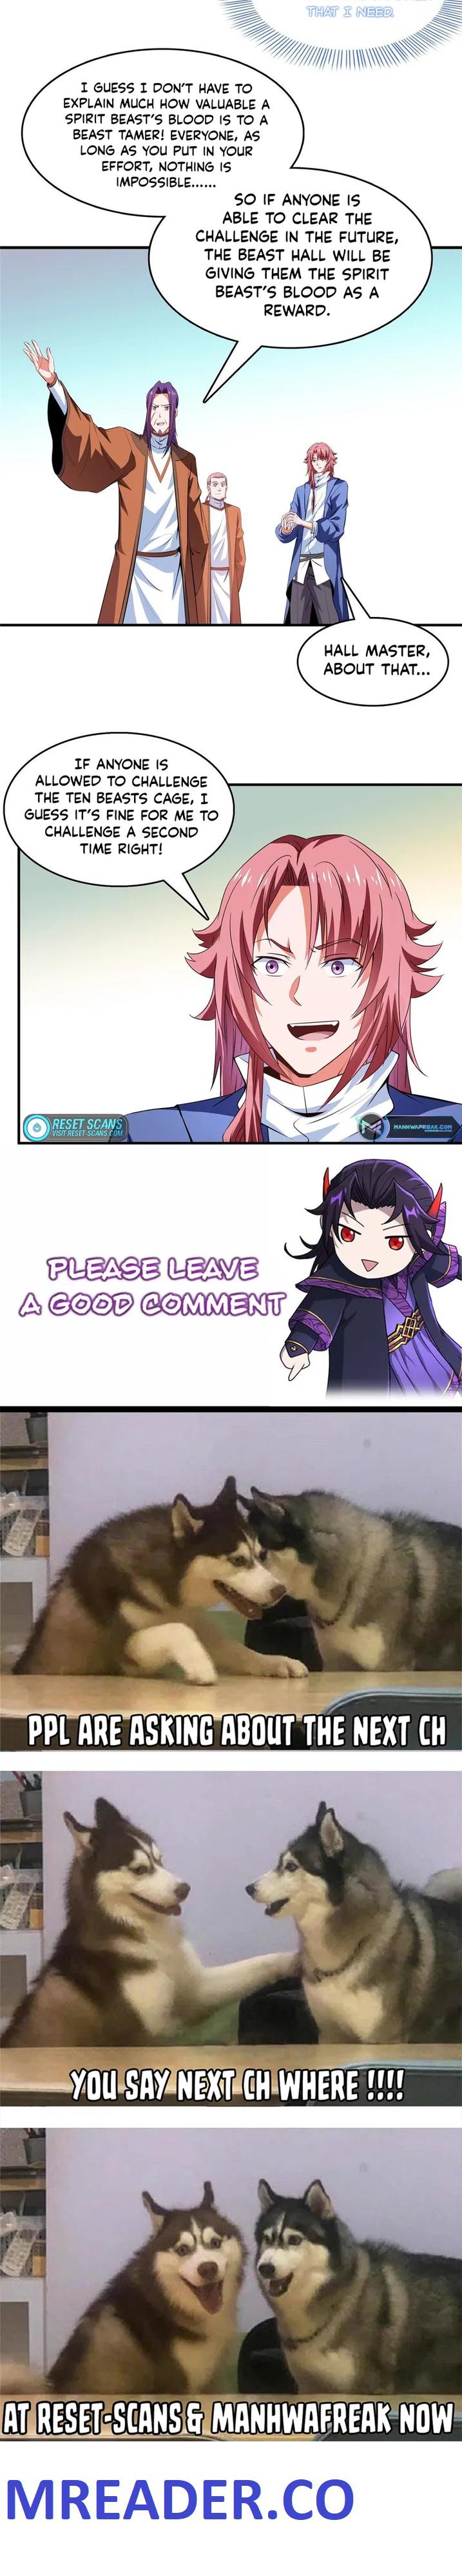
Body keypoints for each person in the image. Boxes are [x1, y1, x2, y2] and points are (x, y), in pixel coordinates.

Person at [124, 834, 462, 1143]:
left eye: (339, 965)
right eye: (272, 965)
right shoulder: (155, 1134)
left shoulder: (449, 1129)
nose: (303, 995)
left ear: (390, 976)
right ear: (236, 981)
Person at [24, 343, 207, 625]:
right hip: (136, 573)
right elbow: (91, 439)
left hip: (175, 575)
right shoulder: (130, 447)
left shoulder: (186, 463)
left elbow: (197, 531)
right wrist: (54, 384)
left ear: (175, 414)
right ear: (147, 412)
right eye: (154, 408)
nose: (160, 415)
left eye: (166, 408)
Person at [281, 1161, 462, 1395]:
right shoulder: (338, 1282)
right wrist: (299, 1347)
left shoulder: (415, 1261)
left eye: (395, 1241)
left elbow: (451, 1264)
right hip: (376, 1367)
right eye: (349, 1234)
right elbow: (317, 1315)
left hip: (426, 1347)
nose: (370, 1255)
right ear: (331, 1229)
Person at [276, 439, 349, 625]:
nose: (318, 464)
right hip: (300, 567)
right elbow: (289, 530)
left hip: (323, 566)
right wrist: (286, 528)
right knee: (296, 623)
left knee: (330, 623)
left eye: (322, 459)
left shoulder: (339, 487)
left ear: (329, 460)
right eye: (314, 460)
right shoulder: (301, 491)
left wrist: (304, 523)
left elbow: (336, 528)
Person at [198, 473, 245, 625]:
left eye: (223, 485)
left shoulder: (234, 512)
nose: (219, 488)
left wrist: (235, 580)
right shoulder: (200, 510)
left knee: (228, 617)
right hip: (207, 575)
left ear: (227, 488)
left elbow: (240, 552)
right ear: (208, 488)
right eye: (215, 485)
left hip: (228, 575)